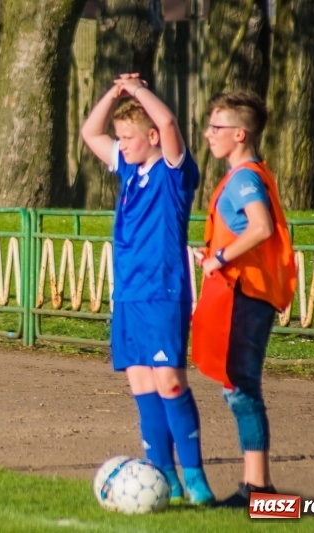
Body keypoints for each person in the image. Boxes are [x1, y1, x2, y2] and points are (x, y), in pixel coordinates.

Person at [80, 74, 214, 505]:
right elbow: (88, 132)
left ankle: (195, 479)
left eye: (129, 136)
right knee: (142, 387)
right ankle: (164, 478)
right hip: (128, 296)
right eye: (119, 137)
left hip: (162, 292)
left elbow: (171, 123)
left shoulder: (172, 171)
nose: (122, 144)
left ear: (152, 136)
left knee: (170, 382)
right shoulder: (128, 169)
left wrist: (138, 92)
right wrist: (115, 93)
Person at [192, 90, 296, 507]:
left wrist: (219, 256)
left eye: (215, 128)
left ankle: (259, 490)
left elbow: (261, 227)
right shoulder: (251, 173)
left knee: (241, 386)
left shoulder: (245, 178)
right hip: (248, 290)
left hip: (246, 292)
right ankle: (258, 487)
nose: (207, 134)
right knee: (238, 385)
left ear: (240, 133)